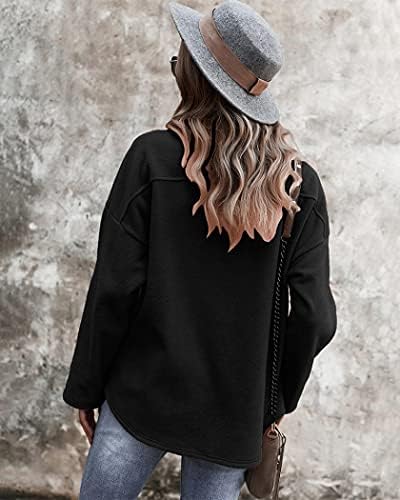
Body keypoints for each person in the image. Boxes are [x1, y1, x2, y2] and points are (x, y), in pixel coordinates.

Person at [62, 1, 337, 499]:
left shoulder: (151, 158)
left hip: (141, 394)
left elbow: (114, 289)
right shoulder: (299, 186)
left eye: (180, 59)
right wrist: (272, 402)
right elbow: (314, 315)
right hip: (234, 412)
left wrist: (86, 386)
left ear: (197, 76)